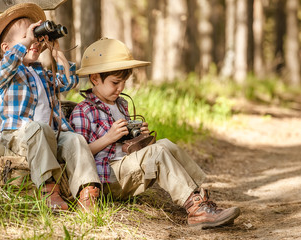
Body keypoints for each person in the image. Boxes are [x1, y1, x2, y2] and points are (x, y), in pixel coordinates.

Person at [69, 38, 241, 229]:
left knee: (164, 144)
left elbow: (125, 149)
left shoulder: (121, 104)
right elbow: (77, 157)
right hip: (107, 178)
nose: (120, 88)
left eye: (124, 82)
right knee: (156, 153)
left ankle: (198, 195)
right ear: (94, 78)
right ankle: (196, 210)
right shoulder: (83, 111)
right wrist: (109, 137)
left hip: (125, 169)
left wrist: (139, 138)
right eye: (115, 82)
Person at [0, 3, 101, 212]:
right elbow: (10, 63)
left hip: (52, 135)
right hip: (19, 136)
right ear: (6, 48)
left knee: (75, 139)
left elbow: (68, 82)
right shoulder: (4, 71)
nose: (34, 43)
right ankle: (49, 191)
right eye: (26, 38)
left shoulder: (41, 74)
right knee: (38, 127)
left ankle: (87, 191)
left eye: (36, 38)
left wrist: (58, 55)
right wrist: (28, 39)